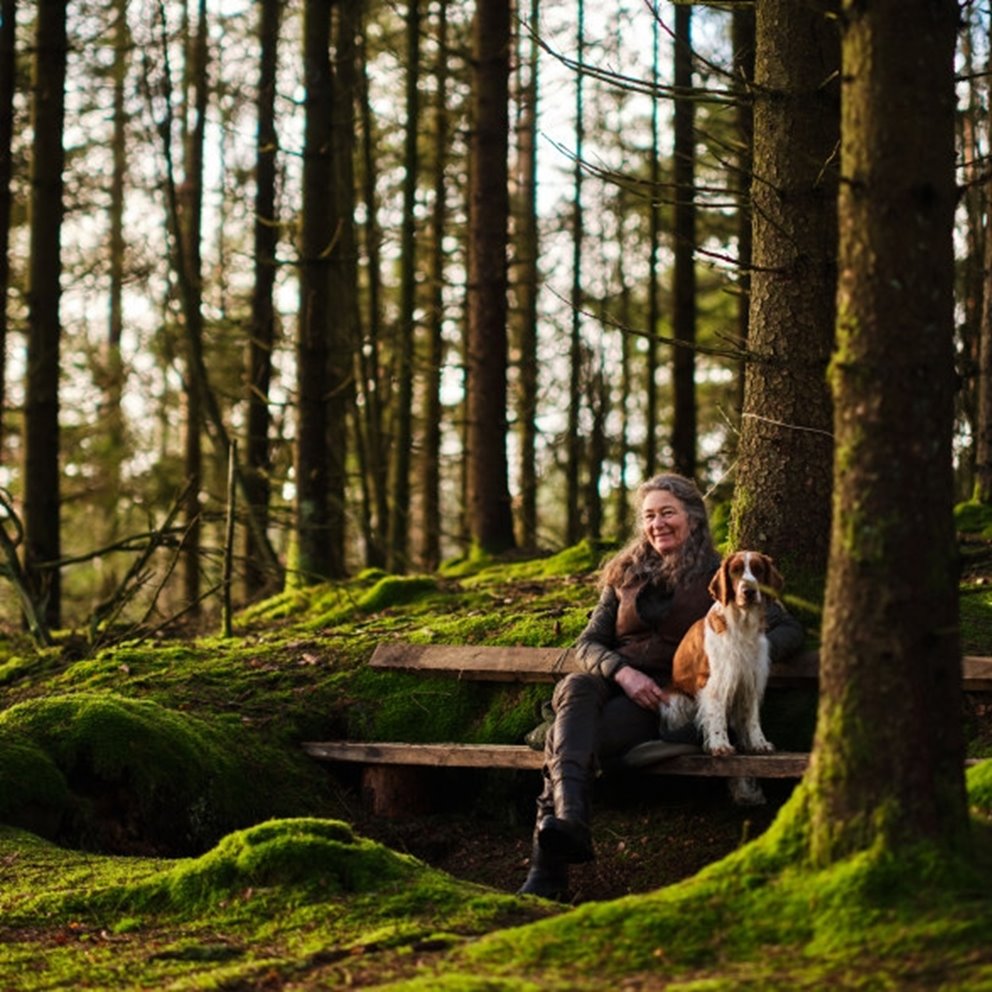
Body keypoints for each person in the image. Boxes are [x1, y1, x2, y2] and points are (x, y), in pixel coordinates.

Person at [517, 472, 805, 901]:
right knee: (577, 686)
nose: (658, 524)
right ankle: (571, 823)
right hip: (610, 683)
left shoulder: (722, 574)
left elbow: (789, 629)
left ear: (692, 518)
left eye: (668, 513)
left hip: (661, 698)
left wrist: (738, 652)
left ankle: (549, 867)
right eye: (649, 515)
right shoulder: (623, 575)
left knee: (566, 740)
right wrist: (621, 672)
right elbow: (588, 643)